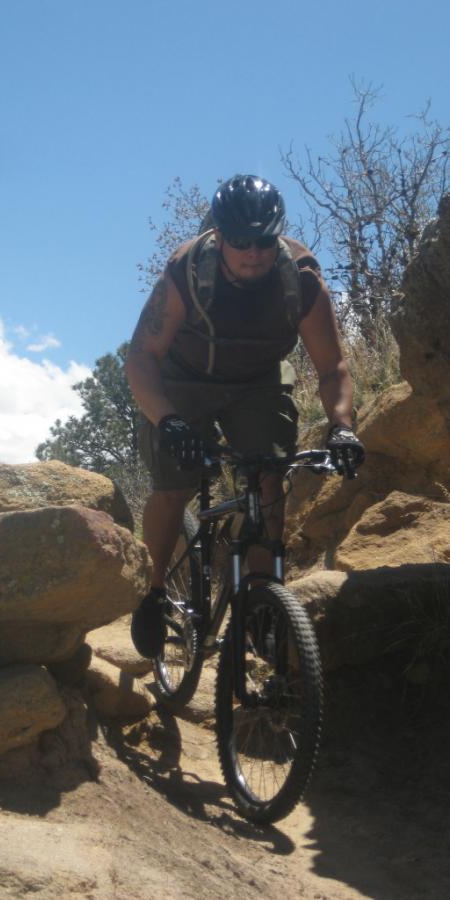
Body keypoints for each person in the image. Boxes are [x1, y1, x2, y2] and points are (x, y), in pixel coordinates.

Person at [125, 173, 365, 658]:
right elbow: (142, 355)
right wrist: (168, 419)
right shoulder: (187, 271)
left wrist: (342, 427)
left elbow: (332, 366)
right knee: (174, 487)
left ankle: (260, 605)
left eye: (263, 238)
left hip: (257, 382)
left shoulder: (299, 276)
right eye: (239, 241)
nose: (253, 251)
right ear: (219, 235)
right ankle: (151, 592)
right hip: (184, 380)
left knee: (268, 479)